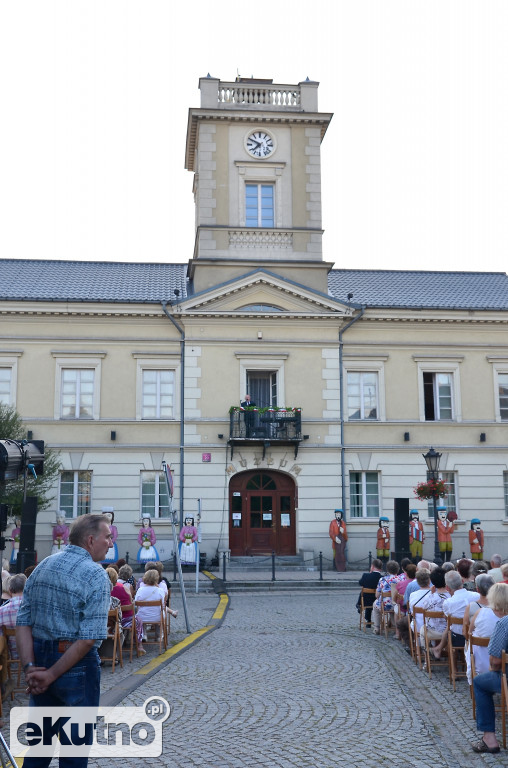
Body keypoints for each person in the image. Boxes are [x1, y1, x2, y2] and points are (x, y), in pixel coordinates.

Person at [15, 513, 112, 768]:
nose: (111, 543)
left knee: (38, 749)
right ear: (91, 540)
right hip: (76, 668)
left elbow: (23, 621)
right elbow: (89, 638)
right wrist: (50, 674)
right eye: (108, 536)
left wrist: (30, 668)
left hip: (39, 660)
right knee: (73, 753)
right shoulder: (96, 575)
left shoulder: (42, 566)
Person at [471, 584, 508, 754]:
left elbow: (494, 662)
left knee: (479, 682)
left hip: (505, 677)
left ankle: (490, 738)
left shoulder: (503, 624)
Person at [431, 570, 479, 659]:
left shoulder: (448, 603)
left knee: (449, 627)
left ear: (447, 588)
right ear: (462, 581)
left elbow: (447, 621)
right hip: (475, 636)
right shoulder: (476, 596)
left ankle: (454, 667)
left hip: (458, 638)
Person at [0, 573, 27, 700]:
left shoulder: (2, 611)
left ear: (10, 590)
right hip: (32, 654)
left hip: (11, 655)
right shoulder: (33, 609)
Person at [372, 560, 401, 635]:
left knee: (375, 605)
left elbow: (377, 595)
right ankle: (395, 626)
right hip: (396, 605)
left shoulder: (382, 580)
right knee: (393, 608)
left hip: (384, 605)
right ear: (398, 569)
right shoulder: (400, 580)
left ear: (387, 569)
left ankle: (377, 627)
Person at [356, 558, 383, 625]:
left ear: (372, 566)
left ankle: (359, 605)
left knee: (364, 592)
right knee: (370, 596)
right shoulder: (382, 578)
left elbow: (360, 583)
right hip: (377, 600)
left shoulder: (366, 576)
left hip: (366, 601)